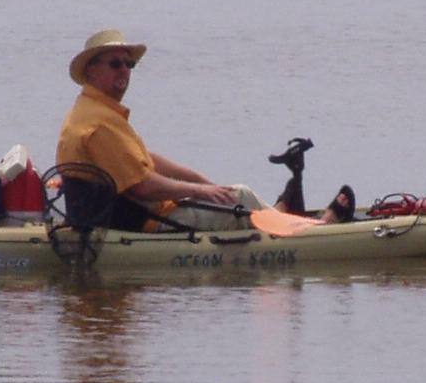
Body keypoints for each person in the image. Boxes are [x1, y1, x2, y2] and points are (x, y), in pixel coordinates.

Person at [57, 29, 351, 231]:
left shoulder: (94, 111)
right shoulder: (99, 123)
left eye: (129, 64)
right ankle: (318, 229)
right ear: (92, 71)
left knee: (231, 196)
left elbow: (142, 158)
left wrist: (199, 182)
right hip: (144, 221)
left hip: (134, 213)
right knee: (242, 196)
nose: (124, 71)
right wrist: (201, 191)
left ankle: (279, 215)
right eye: (115, 64)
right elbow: (142, 185)